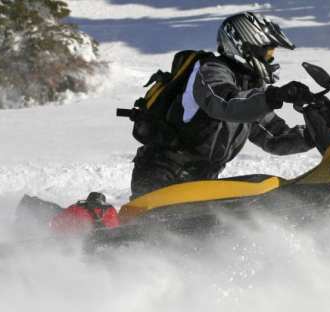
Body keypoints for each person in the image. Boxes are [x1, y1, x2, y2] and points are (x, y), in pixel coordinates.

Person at [130, 11, 318, 197]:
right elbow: (224, 102)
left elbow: (274, 137)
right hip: (162, 174)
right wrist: (274, 96)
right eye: (267, 52)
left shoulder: (248, 90)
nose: (270, 59)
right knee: (162, 228)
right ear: (244, 46)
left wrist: (314, 133)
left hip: (198, 182)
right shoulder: (210, 70)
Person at [50, 192, 120, 235]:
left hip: (77, 241)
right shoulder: (111, 210)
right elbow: (116, 227)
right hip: (107, 242)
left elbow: (56, 222)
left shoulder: (75, 208)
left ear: (87, 201)